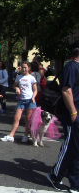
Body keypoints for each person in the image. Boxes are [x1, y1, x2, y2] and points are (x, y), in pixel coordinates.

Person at [47, 48, 79, 192]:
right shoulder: (72, 66)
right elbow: (66, 90)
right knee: (70, 146)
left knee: (76, 148)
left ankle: (75, 182)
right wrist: (73, 112)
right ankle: (55, 175)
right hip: (73, 113)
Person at [0, 61, 37, 143]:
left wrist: (33, 97)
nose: (24, 69)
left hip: (30, 101)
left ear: (29, 68)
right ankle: (11, 136)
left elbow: (35, 90)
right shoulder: (19, 77)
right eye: (22, 67)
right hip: (21, 101)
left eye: (25, 67)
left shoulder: (32, 78)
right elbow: (15, 85)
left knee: (28, 119)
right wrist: (16, 88)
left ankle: (25, 135)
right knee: (16, 118)